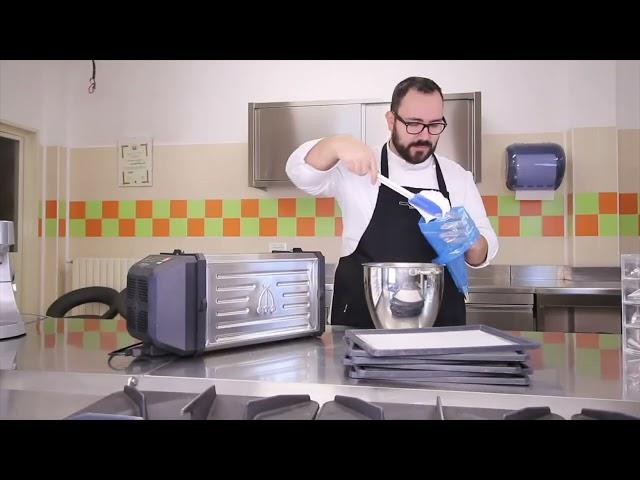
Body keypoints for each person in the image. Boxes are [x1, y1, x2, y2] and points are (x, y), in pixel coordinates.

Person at [286, 76, 498, 328]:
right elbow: (300, 173)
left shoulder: (457, 177)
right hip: (363, 321)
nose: (424, 135)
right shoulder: (361, 165)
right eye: (414, 124)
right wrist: (335, 144)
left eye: (434, 125)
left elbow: (484, 251)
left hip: (439, 326)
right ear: (391, 120)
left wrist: (472, 241)